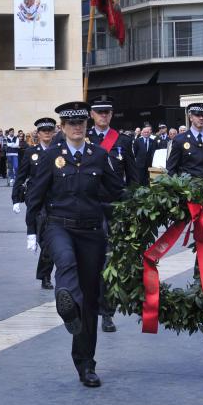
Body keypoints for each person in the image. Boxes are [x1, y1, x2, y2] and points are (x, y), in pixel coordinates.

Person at [26, 101, 125, 388]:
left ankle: (86, 363)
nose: (77, 127)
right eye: (71, 124)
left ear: (86, 124)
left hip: (92, 232)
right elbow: (35, 193)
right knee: (66, 262)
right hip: (59, 226)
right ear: (63, 128)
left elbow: (118, 190)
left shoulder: (99, 155)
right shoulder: (51, 156)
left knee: (91, 302)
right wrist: (32, 230)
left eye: (81, 122)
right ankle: (67, 305)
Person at [87, 95, 137, 333]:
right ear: (92, 115)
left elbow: (134, 174)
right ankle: (88, 304)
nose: (103, 116)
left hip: (116, 205)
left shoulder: (124, 141)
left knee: (111, 260)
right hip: (90, 205)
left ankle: (107, 312)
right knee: (91, 258)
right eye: (99, 112)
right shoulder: (83, 139)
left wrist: (135, 201)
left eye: (107, 112)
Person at [12, 117, 57, 289]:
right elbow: (21, 176)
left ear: (53, 132)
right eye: (43, 131)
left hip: (54, 200)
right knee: (43, 240)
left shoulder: (58, 151)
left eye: (49, 130)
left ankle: (45, 276)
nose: (46, 133)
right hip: (36, 202)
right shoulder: (31, 152)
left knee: (49, 242)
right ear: (37, 134)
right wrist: (15, 199)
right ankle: (45, 273)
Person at [167, 102, 203, 178]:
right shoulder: (180, 140)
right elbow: (171, 167)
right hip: (188, 187)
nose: (201, 118)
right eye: (197, 115)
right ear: (190, 117)